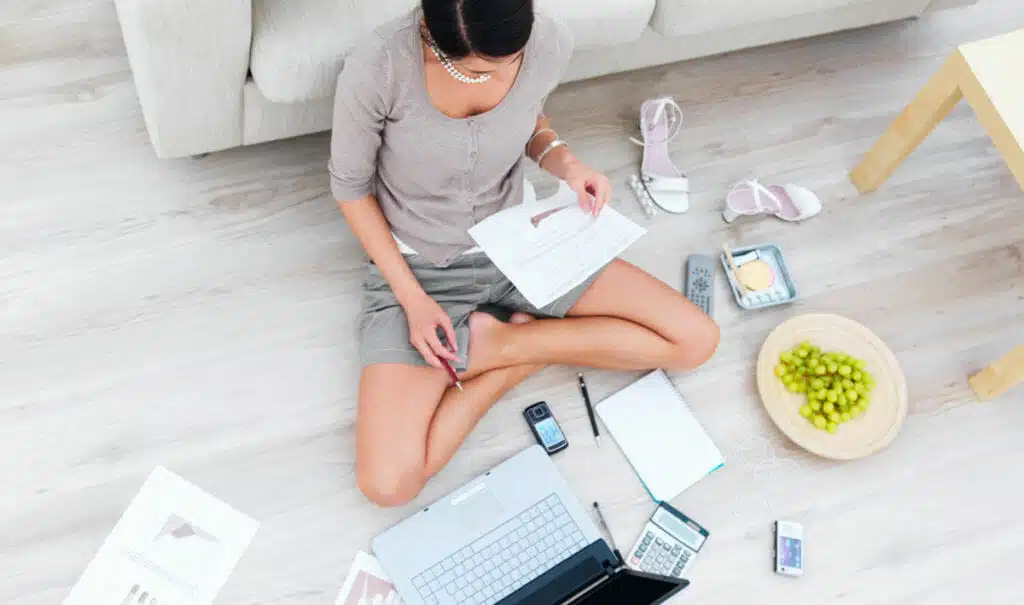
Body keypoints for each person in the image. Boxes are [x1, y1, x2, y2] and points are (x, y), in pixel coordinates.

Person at [330, 0, 719, 507]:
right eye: (477, 71)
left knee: (695, 341)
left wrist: (568, 165)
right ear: (430, 33)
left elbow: (529, 120)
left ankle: (508, 346)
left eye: (510, 61)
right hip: (420, 268)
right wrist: (413, 300)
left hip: (523, 242)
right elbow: (350, 189)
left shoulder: (548, 39)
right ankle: (519, 348)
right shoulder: (378, 65)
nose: (501, 76)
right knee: (387, 485)